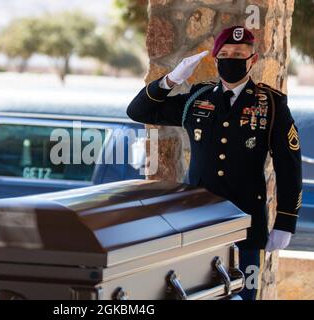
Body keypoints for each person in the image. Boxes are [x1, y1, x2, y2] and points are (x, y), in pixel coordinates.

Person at [126, 25, 302, 300]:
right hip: (198, 222)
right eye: (226, 53)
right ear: (216, 58)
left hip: (246, 221)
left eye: (240, 54)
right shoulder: (197, 99)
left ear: (252, 60)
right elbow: (137, 111)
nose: (232, 59)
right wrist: (170, 81)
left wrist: (286, 221)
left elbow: (289, 167)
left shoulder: (271, 104)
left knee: (242, 296)